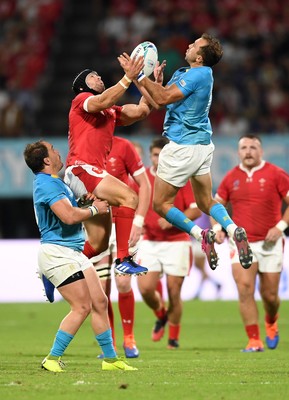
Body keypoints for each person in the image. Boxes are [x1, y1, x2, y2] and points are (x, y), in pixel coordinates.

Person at [118, 33, 253, 271]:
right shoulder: (184, 73)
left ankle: (201, 234)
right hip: (201, 147)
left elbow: (163, 97)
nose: (189, 45)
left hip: (182, 147)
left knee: (160, 205)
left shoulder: (201, 73)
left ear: (199, 57)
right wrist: (144, 80)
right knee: (205, 201)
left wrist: (140, 74)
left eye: (195, 45)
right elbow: (159, 102)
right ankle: (233, 229)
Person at [23, 140, 137, 372]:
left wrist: (83, 202)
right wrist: (95, 210)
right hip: (57, 254)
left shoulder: (55, 182)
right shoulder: (46, 184)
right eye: (53, 150)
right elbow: (68, 216)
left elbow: (69, 209)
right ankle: (52, 358)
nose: (57, 152)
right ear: (46, 160)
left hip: (72, 251)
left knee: (100, 302)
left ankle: (111, 360)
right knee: (82, 307)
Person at [63, 57, 153, 277]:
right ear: (83, 85)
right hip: (81, 169)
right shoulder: (82, 99)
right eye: (94, 76)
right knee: (130, 197)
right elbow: (102, 101)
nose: (99, 77)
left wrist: (148, 83)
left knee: (99, 244)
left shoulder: (110, 110)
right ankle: (124, 258)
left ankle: (59, 269)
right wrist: (127, 78)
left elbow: (141, 111)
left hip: (89, 174)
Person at [213, 135, 289, 352]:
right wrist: (218, 228)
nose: (248, 151)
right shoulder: (230, 178)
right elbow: (216, 207)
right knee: (245, 289)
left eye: (253, 147)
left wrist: (280, 227)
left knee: (270, 296)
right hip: (241, 242)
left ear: (261, 151)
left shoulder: (276, 174)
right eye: (244, 147)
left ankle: (271, 321)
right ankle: (254, 340)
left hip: (269, 243)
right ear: (238, 152)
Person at [137, 137, 202, 349]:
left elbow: (195, 209)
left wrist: (173, 217)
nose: (158, 159)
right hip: (150, 241)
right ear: (150, 156)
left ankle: (173, 338)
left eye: (162, 155)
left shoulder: (181, 178)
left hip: (177, 241)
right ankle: (160, 313)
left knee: (174, 292)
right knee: (146, 288)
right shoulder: (142, 178)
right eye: (155, 155)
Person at [91, 135, 151, 358]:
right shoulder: (83, 148)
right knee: (101, 289)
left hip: (123, 224)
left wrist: (139, 220)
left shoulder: (123, 145)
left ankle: (129, 338)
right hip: (97, 225)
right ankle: (111, 344)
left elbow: (144, 185)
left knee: (123, 282)